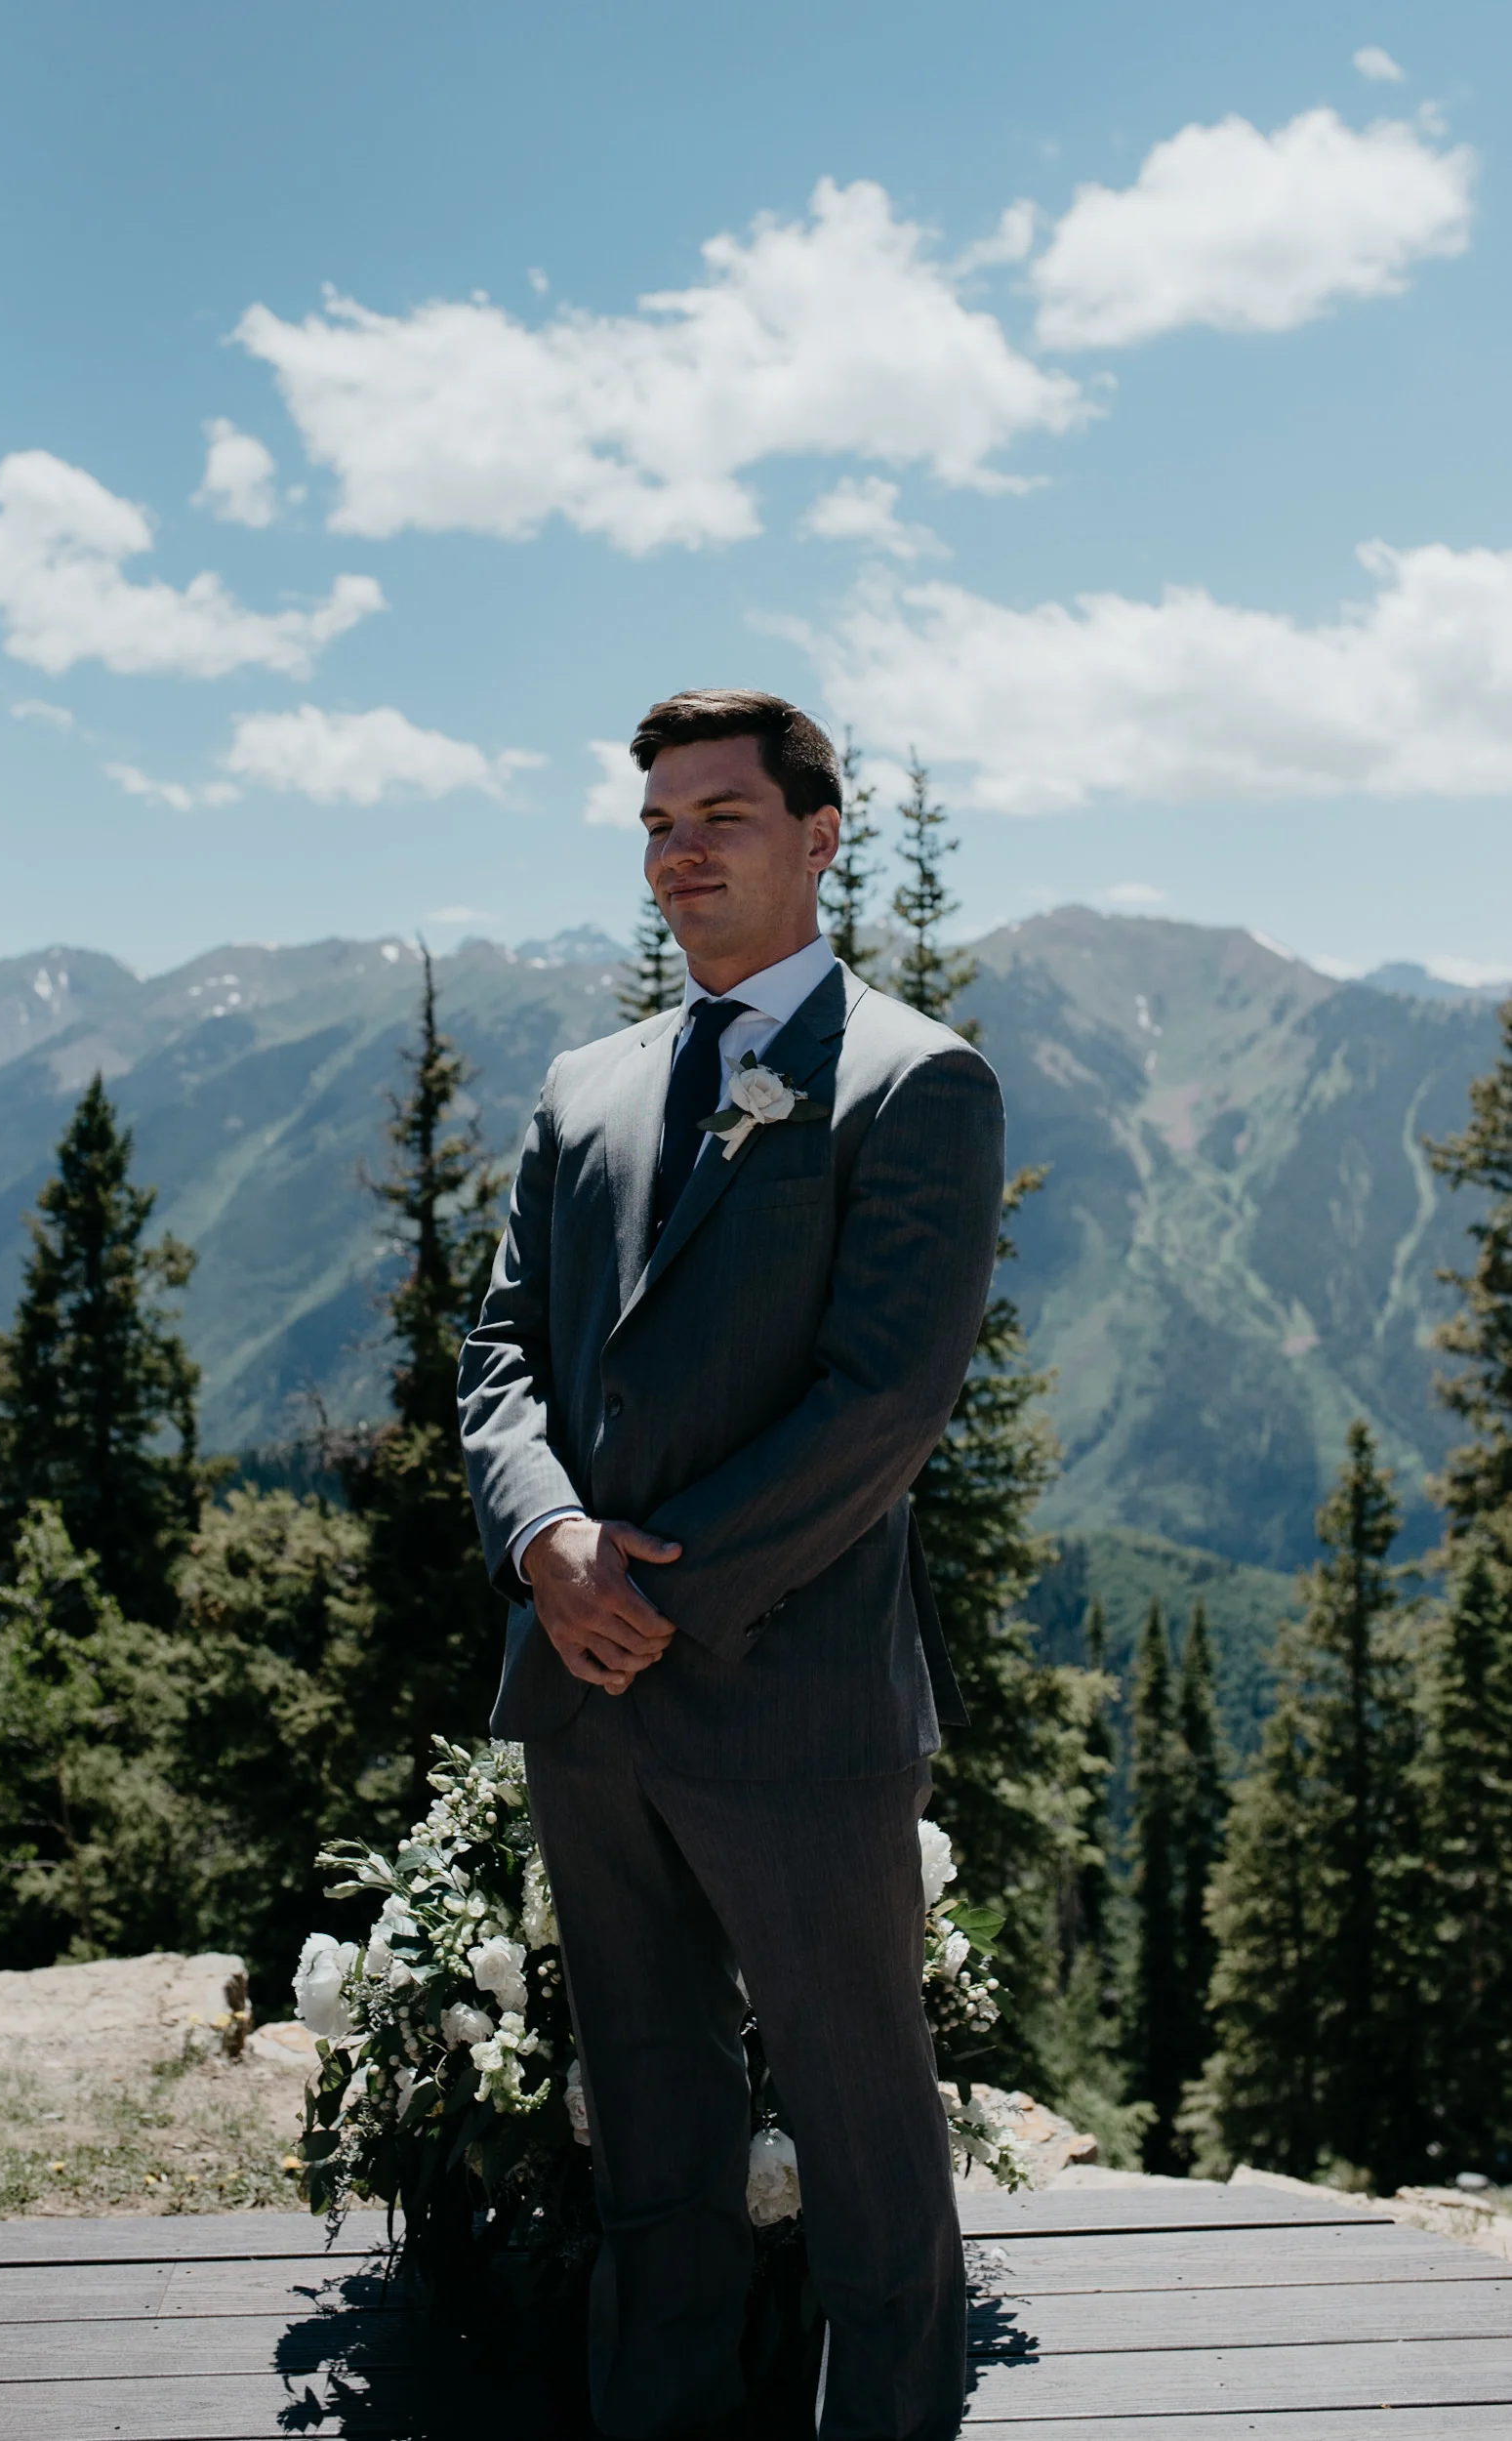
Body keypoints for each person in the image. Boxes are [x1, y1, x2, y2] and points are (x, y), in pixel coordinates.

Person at [458, 689, 1004, 2441]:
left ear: (819, 838)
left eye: (721, 817)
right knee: (649, 2133)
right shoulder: (587, 1085)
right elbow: (501, 1354)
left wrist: (651, 1597)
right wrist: (547, 1541)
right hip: (587, 1697)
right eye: (656, 826)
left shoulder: (914, 1080)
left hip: (796, 1701)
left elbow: (886, 1401)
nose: (678, 853)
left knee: (866, 2142)